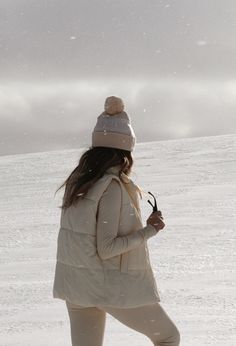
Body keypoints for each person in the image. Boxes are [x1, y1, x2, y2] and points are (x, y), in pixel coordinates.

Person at [52, 96, 180, 346]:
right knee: (168, 337)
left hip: (78, 289)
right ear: (125, 151)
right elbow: (107, 247)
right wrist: (150, 230)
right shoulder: (110, 187)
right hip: (106, 287)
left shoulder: (79, 184)